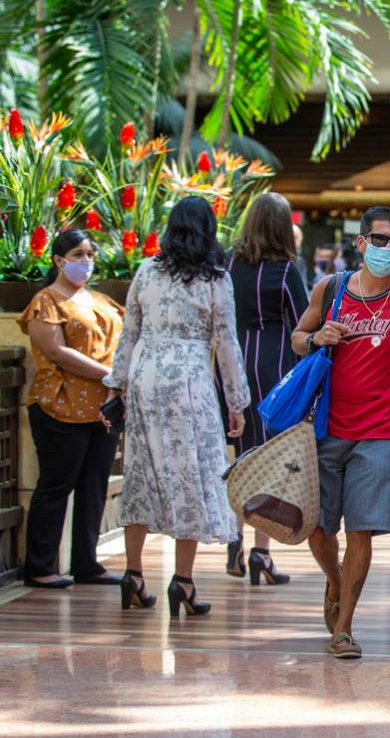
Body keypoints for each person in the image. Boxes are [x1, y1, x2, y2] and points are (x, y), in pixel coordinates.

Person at [290, 206, 390, 660]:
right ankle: (335, 581)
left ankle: (345, 626)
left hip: (379, 433)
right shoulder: (330, 289)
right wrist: (316, 338)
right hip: (325, 428)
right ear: (361, 243)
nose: (387, 249)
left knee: (363, 532)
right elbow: (297, 336)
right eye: (380, 239)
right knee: (319, 526)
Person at [103, 197, 251, 617]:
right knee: (190, 476)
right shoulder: (215, 279)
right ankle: (183, 582)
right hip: (189, 382)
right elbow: (226, 344)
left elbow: (128, 334)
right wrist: (237, 401)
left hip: (145, 377)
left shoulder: (147, 271)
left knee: (140, 471)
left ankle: (132, 575)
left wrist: (117, 386)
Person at [18, 230, 124, 589]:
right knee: (56, 485)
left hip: (103, 408)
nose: (86, 261)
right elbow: (57, 351)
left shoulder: (102, 301)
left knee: (94, 486)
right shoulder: (45, 301)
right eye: (78, 254)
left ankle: (86, 563)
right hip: (59, 405)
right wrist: (109, 374)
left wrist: (117, 378)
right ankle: (39, 565)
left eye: (90, 254)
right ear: (59, 261)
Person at [223, 193, 310, 586]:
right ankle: (262, 551)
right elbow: (303, 322)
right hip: (275, 367)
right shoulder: (286, 270)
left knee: (238, 453)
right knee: (268, 456)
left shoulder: (227, 263)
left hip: (231, 363)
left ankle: (233, 539)